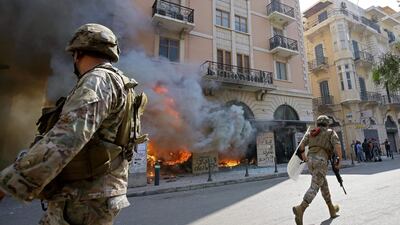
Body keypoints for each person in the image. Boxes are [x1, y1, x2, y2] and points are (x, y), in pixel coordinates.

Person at [0, 23, 148, 225]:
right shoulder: (121, 83)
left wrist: (11, 181)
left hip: (82, 198)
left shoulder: (97, 80)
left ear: (77, 54)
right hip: (100, 194)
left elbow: (66, 139)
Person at [292, 115, 342, 225]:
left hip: (310, 161)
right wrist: (339, 160)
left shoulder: (311, 132)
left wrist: (304, 157)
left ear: (318, 123)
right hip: (321, 161)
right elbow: (337, 147)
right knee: (315, 186)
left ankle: (331, 209)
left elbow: (301, 147)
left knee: (322, 184)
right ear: (327, 123)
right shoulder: (330, 132)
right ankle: (301, 208)